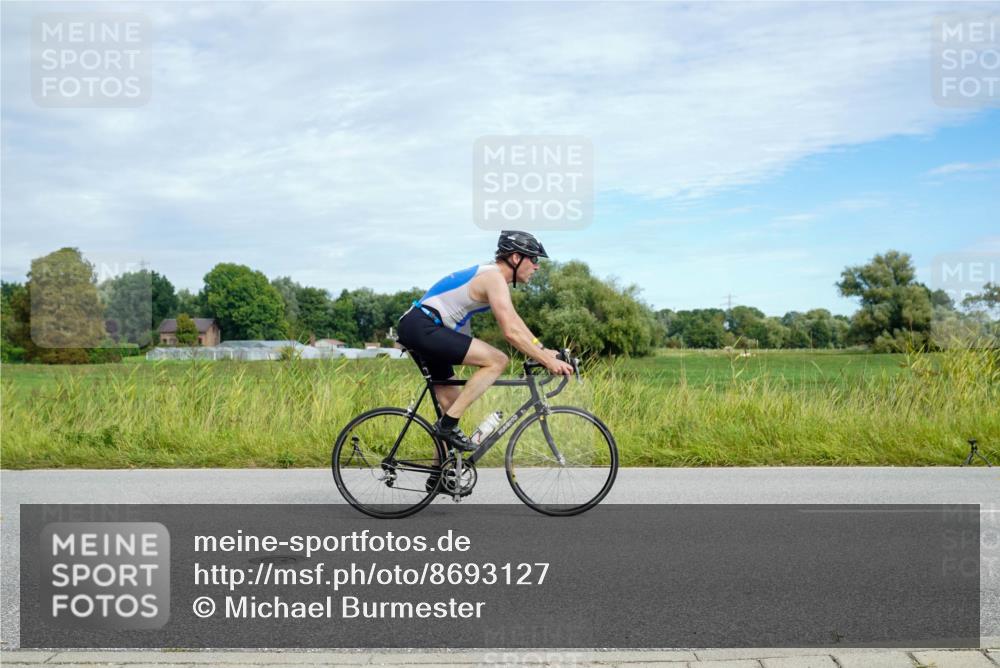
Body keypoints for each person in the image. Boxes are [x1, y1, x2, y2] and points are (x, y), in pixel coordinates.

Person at [397, 230, 574, 452]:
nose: (537, 266)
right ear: (516, 258)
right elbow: (510, 332)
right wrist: (548, 363)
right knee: (498, 360)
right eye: (534, 259)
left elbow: (515, 322)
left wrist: (544, 351)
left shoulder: (494, 278)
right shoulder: (494, 278)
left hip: (422, 327)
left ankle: (441, 475)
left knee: (452, 404)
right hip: (424, 326)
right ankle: (447, 426)